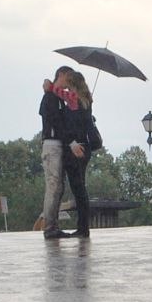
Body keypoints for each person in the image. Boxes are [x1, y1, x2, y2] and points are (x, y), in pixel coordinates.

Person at [39, 65, 75, 239]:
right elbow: (56, 122)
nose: (70, 82)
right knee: (54, 187)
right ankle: (50, 226)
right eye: (69, 78)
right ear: (61, 75)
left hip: (54, 144)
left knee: (57, 187)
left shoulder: (56, 97)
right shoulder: (51, 98)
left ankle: (52, 225)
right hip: (53, 145)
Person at [60, 70, 96, 238]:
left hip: (76, 148)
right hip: (86, 147)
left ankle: (83, 228)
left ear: (73, 83)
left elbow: (55, 91)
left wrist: (50, 85)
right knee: (81, 188)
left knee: (78, 189)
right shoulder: (86, 100)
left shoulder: (74, 100)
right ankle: (83, 227)